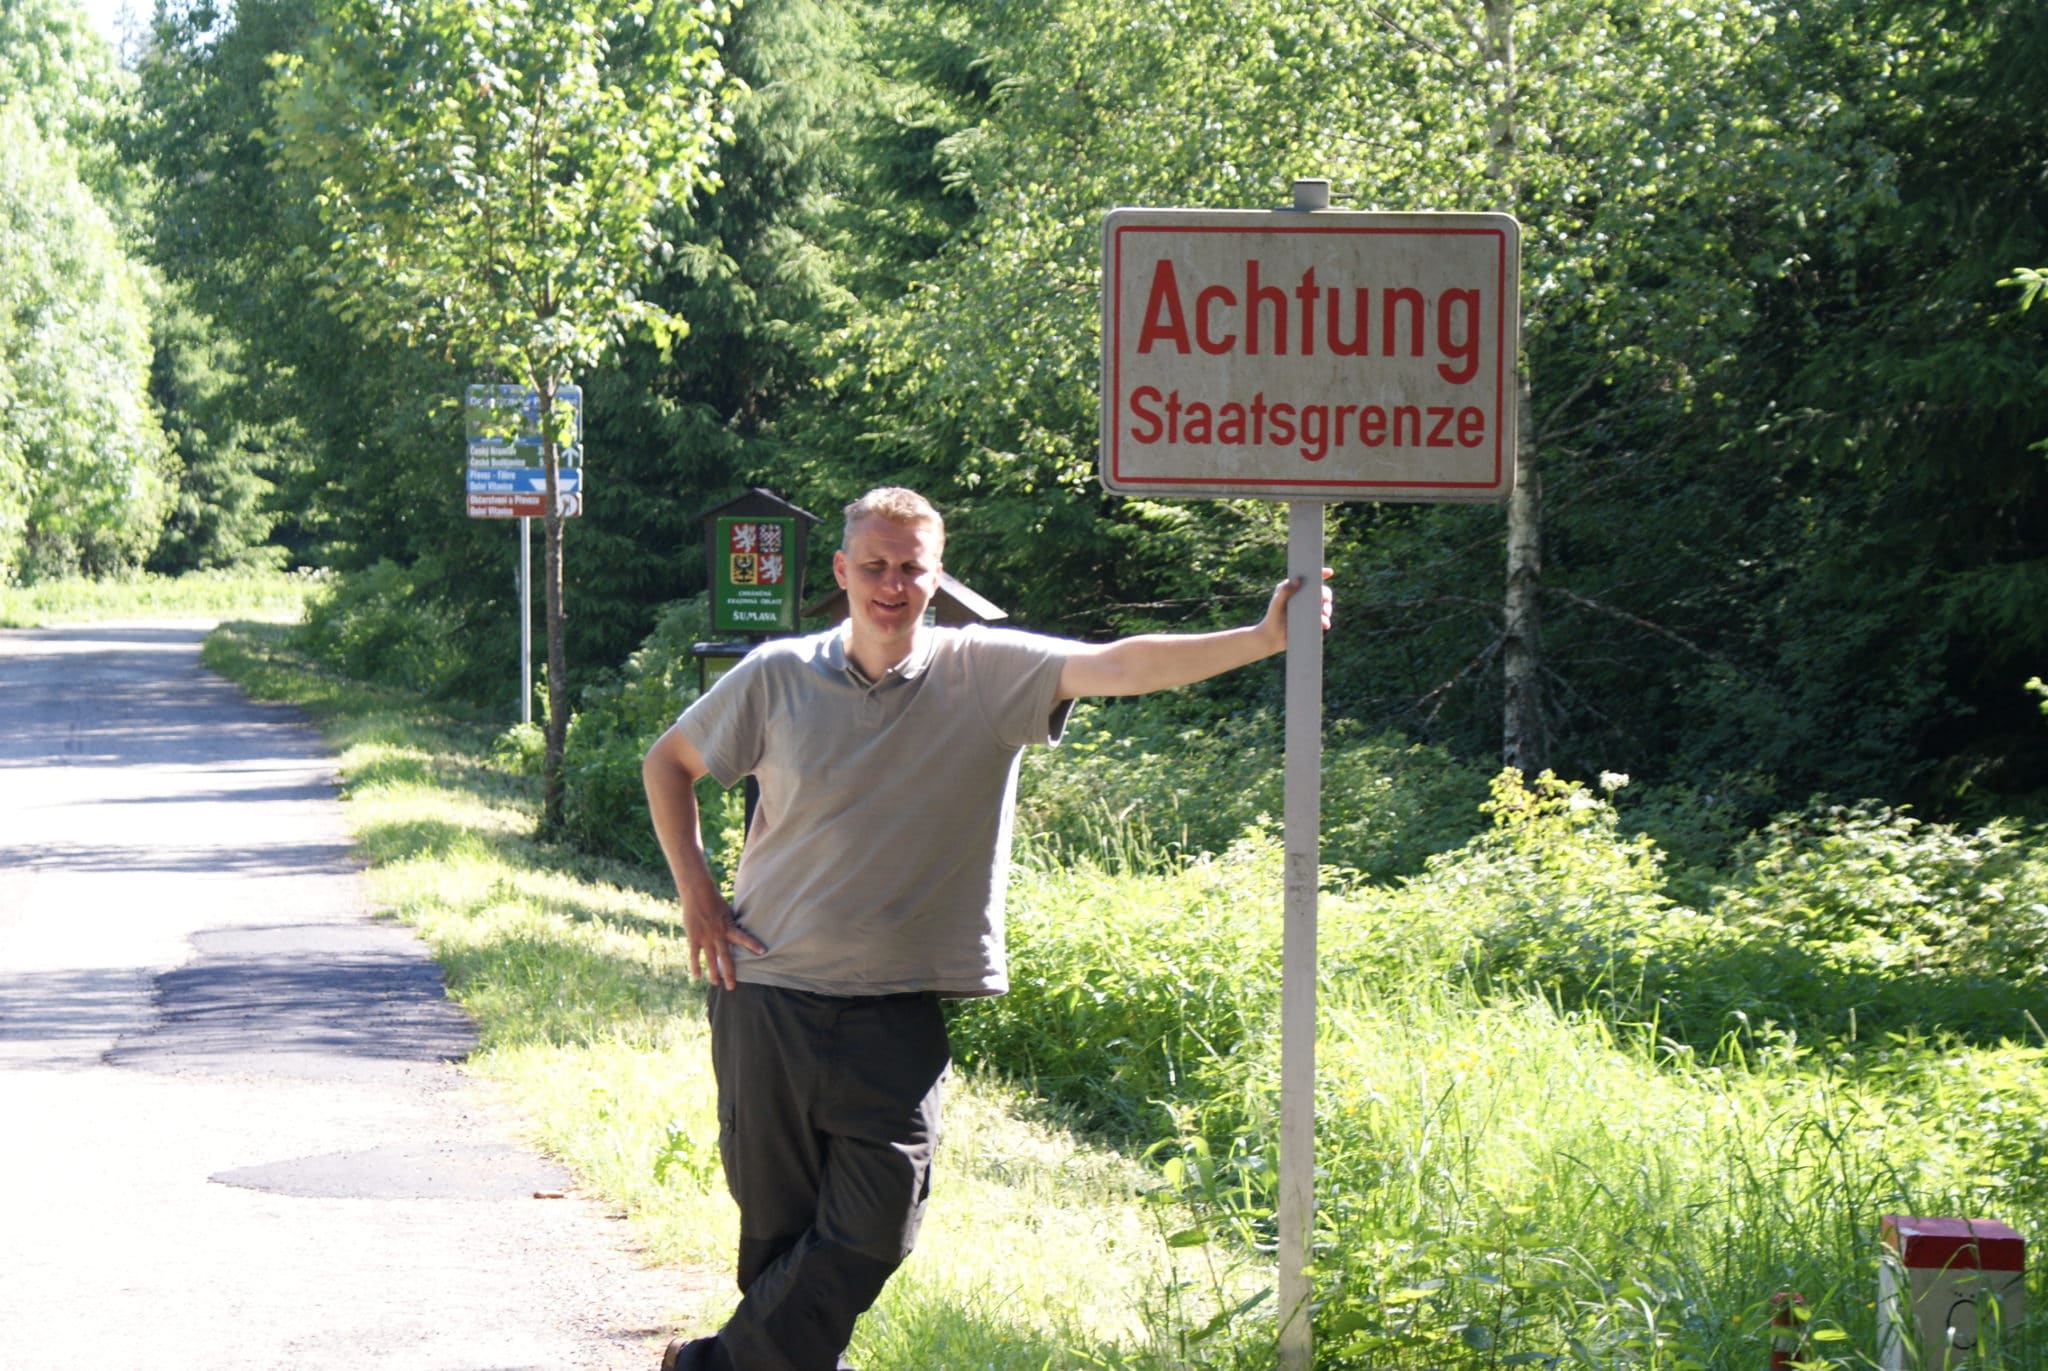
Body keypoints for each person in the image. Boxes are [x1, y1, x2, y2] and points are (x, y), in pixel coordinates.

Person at [641, 486, 1331, 1371]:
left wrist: (1263, 638)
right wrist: (696, 890)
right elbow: (670, 762)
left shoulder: (985, 672)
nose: (893, 585)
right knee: (780, 1236)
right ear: (844, 571)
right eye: (877, 567)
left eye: (912, 569)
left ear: (935, 577)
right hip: (766, 991)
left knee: (876, 1226)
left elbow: (1118, 662)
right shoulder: (778, 675)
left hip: (896, 1004)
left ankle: (709, 1368)